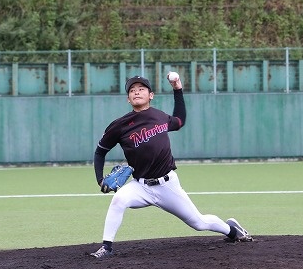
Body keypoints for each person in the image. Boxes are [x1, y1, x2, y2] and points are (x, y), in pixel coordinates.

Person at [89, 73, 252, 259]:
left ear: (151, 95)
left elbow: (179, 120)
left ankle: (233, 230)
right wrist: (100, 179)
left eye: (141, 89)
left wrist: (177, 89)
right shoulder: (119, 125)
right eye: (132, 90)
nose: (136, 92)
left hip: (167, 185)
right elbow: (100, 151)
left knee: (199, 223)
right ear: (128, 99)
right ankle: (107, 247)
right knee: (119, 199)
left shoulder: (159, 116)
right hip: (140, 186)